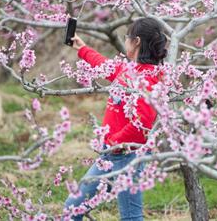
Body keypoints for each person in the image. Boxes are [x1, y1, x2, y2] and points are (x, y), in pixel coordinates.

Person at [63, 18, 167, 221]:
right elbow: (106, 67)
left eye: (127, 38)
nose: (125, 41)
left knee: (130, 217)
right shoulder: (130, 70)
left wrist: (114, 142)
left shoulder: (149, 78)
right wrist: (82, 49)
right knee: (72, 208)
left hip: (126, 156)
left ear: (136, 41)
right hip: (109, 155)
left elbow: (143, 123)